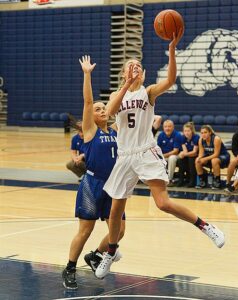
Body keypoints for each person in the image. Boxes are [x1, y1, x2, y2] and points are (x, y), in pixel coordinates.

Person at [94, 30, 225, 280]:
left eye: (139, 67)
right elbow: (110, 112)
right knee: (114, 213)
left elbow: (171, 80)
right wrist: (125, 84)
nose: (135, 69)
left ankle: (207, 227)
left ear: (143, 74)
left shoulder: (149, 92)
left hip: (145, 152)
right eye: (130, 66)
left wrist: (173, 49)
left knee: (163, 203)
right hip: (125, 156)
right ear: (123, 73)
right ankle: (109, 253)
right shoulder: (117, 95)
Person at [62, 56, 125, 290]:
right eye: (98, 109)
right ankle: (69, 267)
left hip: (115, 186)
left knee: (120, 231)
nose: (101, 110)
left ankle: (96, 255)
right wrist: (87, 74)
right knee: (85, 230)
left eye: (103, 108)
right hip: (93, 185)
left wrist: (127, 82)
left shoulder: (118, 131)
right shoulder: (90, 132)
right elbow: (88, 102)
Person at [195, 125, 230, 189]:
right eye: (202, 133)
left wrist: (205, 158)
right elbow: (201, 153)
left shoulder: (216, 139)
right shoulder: (200, 140)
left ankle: (217, 182)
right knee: (197, 161)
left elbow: (216, 154)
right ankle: (202, 181)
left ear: (210, 133)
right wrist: (199, 158)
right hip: (211, 157)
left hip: (223, 156)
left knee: (214, 160)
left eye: (205, 132)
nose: (203, 134)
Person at [157, 119, 182, 186]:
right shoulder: (161, 135)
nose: (167, 128)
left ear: (173, 127)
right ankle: (156, 179)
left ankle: (169, 179)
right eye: (165, 127)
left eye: (169, 126)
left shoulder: (177, 135)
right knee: (154, 157)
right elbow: (157, 149)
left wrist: (163, 155)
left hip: (176, 156)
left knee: (172, 158)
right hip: (164, 156)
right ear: (163, 127)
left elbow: (176, 151)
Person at [177, 122, 199, 187]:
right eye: (185, 131)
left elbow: (194, 152)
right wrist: (183, 154)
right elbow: (185, 151)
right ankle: (181, 180)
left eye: (188, 131)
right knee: (180, 160)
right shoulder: (183, 137)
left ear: (192, 131)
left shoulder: (196, 137)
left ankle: (192, 181)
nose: (186, 132)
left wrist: (184, 154)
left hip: (196, 155)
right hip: (188, 155)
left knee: (191, 159)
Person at [225, 127, 238, 193]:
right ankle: (228, 183)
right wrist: (237, 155)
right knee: (232, 162)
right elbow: (234, 149)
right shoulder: (236, 135)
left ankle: (234, 185)